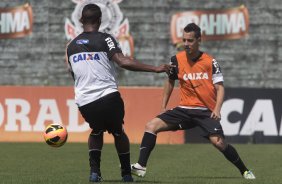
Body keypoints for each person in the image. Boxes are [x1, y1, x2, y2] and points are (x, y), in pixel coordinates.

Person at [131, 23, 256, 180]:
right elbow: (170, 82)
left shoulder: (210, 62)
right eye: (184, 40)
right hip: (184, 109)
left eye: (190, 40)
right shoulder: (176, 60)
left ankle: (244, 170)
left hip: (205, 112)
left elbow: (220, 88)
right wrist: (163, 106)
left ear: (199, 40)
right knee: (151, 126)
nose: (186, 44)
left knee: (218, 143)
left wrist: (217, 109)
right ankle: (141, 166)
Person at [65, 3, 172, 183]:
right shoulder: (106, 38)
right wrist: (155, 69)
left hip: (85, 101)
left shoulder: (71, 46)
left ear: (81, 20)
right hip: (108, 96)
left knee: (96, 130)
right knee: (118, 132)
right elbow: (122, 61)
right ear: (100, 20)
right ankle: (126, 174)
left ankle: (94, 173)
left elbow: (73, 73)